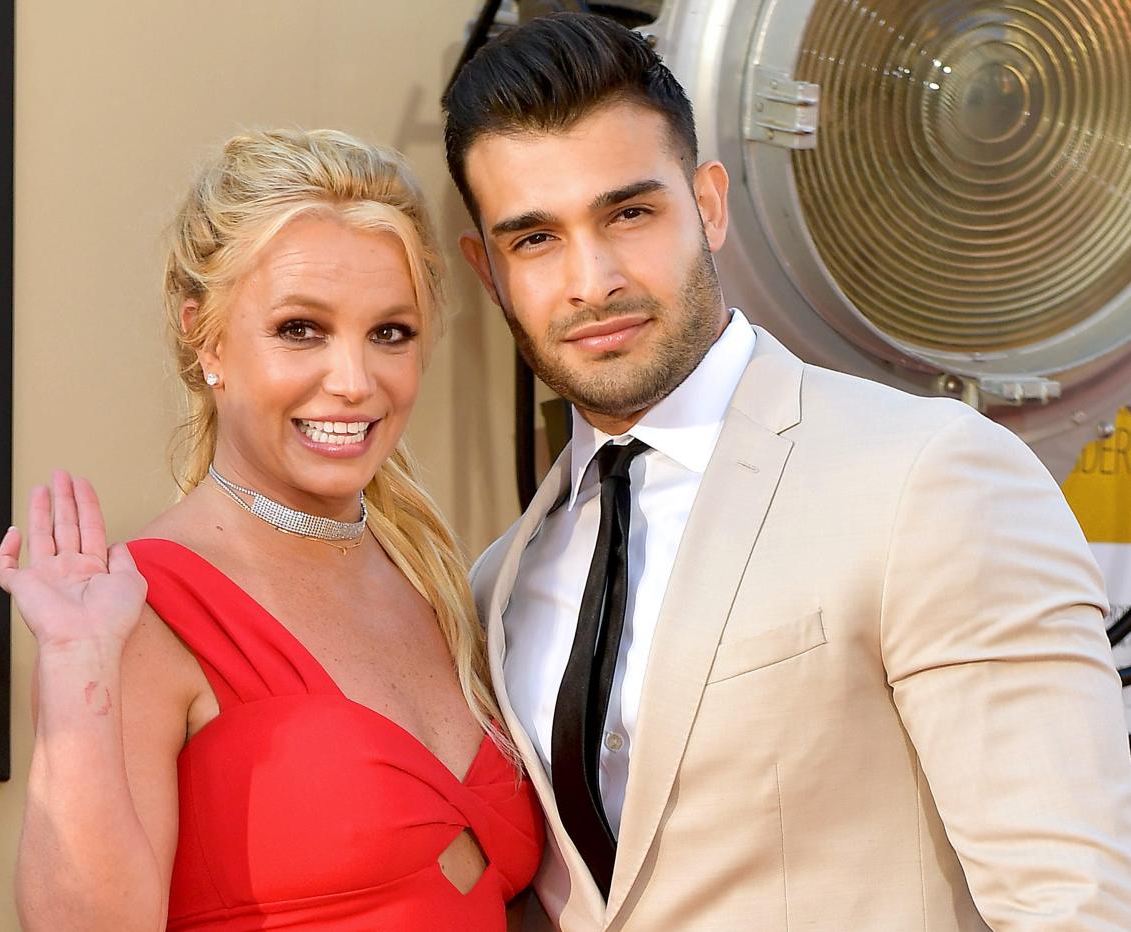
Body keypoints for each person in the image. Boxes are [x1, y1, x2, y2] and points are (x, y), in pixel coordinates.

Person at [443, 13, 1131, 930]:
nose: (592, 278)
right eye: (535, 240)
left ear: (710, 205)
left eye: (630, 212)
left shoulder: (928, 476)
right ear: (488, 273)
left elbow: (1070, 902)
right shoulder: (501, 578)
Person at [0, 129, 542, 931]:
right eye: (300, 330)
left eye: (390, 333)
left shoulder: (443, 588)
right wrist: (77, 669)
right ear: (206, 335)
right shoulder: (141, 612)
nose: (354, 383)